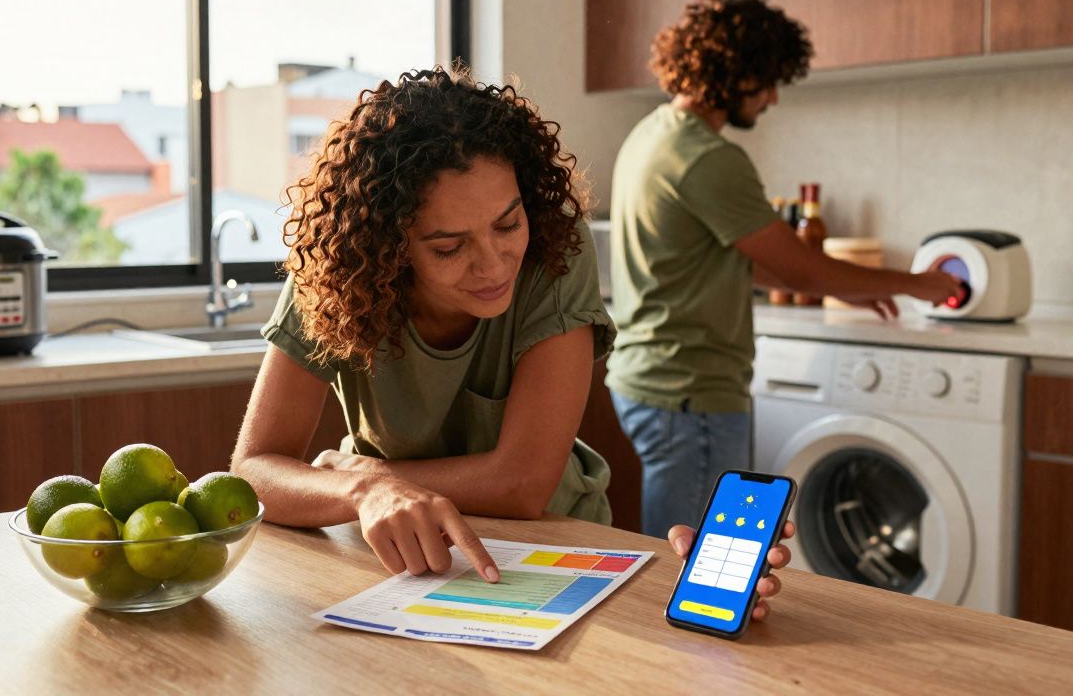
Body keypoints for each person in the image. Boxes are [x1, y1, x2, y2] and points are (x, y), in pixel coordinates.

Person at [230, 68, 793, 622]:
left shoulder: (556, 249)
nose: (494, 264)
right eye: (449, 248)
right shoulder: (338, 275)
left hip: (554, 542)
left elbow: (523, 483)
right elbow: (252, 471)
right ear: (387, 247)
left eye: (508, 224)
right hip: (401, 549)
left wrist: (370, 476)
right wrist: (360, 492)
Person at [607, 0, 962, 538]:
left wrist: (844, 290)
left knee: (678, 555)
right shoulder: (709, 158)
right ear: (734, 72)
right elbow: (801, 271)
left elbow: (734, 261)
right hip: (690, 392)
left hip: (650, 382)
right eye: (767, 80)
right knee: (695, 565)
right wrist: (917, 284)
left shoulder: (653, 135)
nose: (772, 97)